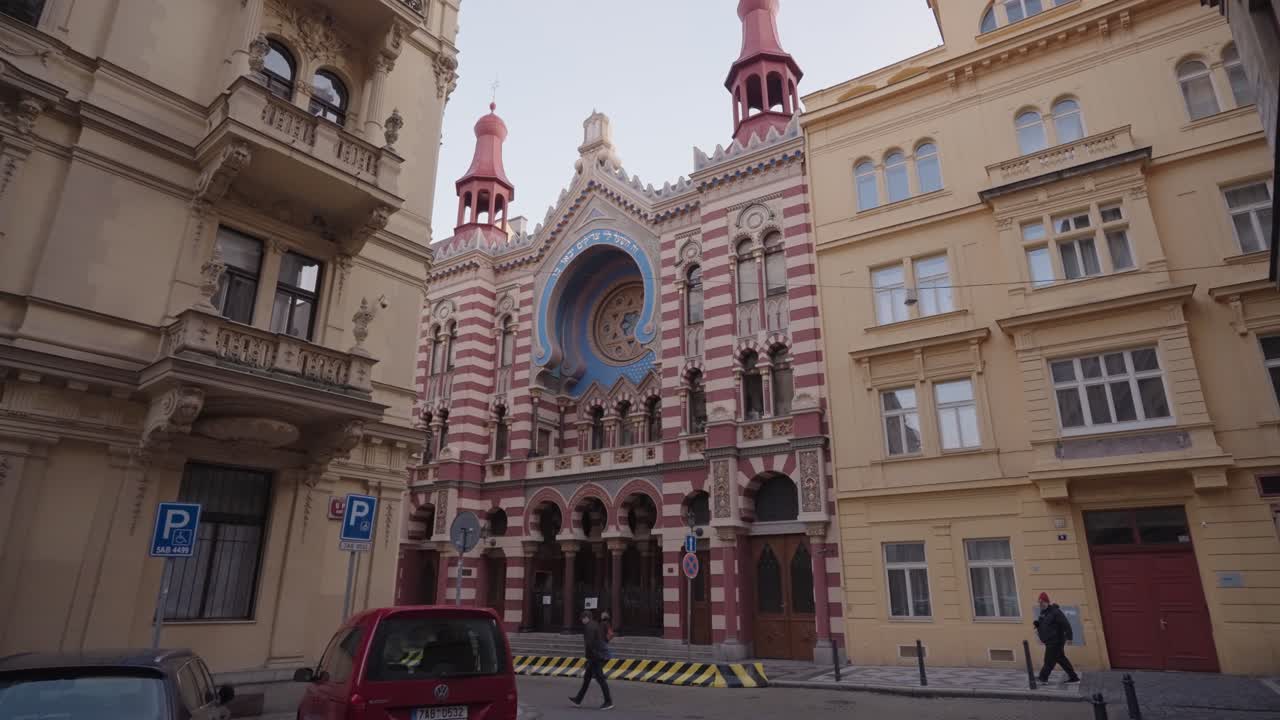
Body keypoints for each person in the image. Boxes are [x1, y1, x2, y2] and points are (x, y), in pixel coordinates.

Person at [569, 611, 614, 710]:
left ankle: (608, 701)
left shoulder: (589, 627)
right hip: (596, 656)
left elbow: (589, 644)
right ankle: (578, 699)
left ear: (586, 618)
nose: (581, 621)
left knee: (600, 679)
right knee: (587, 678)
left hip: (595, 657)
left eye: (582, 619)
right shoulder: (595, 624)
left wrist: (591, 656)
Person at [1033, 592, 1080, 684]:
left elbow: (1066, 624)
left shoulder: (1055, 612)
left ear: (1047, 602)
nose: (1040, 604)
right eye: (1039, 602)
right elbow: (1043, 623)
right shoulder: (1043, 612)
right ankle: (1074, 677)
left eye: (1042, 602)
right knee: (1061, 659)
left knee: (1048, 660)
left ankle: (1043, 678)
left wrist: (1069, 637)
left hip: (1056, 640)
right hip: (1049, 640)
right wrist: (1037, 624)